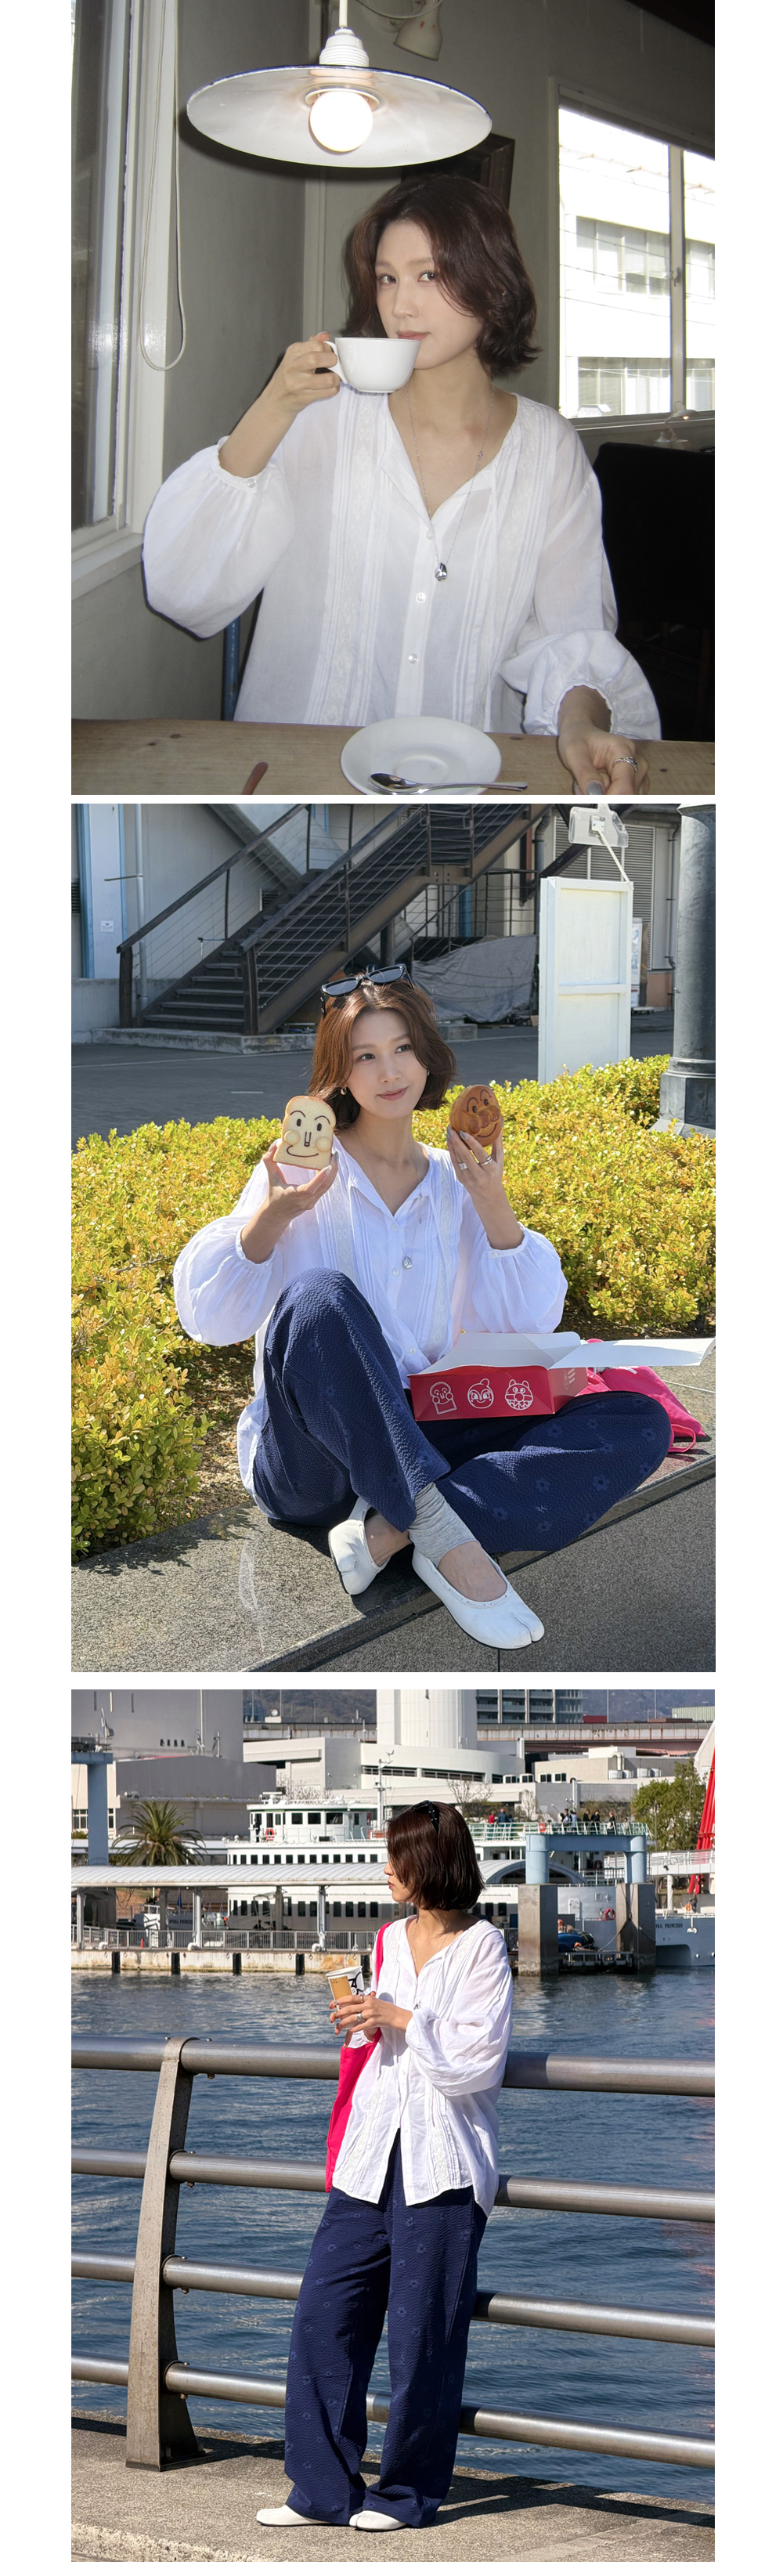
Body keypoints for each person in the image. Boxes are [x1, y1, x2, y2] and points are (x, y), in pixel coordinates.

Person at [173, 970, 670, 1650]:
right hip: (317, 1464)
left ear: (428, 1057)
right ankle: (447, 1540)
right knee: (320, 1298)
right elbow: (210, 1319)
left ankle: (391, 1531)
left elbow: (530, 1320)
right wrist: (274, 1215)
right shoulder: (300, 1173)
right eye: (365, 1055)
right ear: (339, 1073)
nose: (389, 1072)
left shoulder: (453, 1178)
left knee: (638, 1420)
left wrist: (491, 1200)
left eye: (403, 1048)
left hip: (427, 1426)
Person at [143, 174, 660, 794]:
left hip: (468, 792)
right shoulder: (319, 419)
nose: (401, 306)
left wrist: (579, 724)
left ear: (494, 283)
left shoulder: (549, 450)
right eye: (387, 278)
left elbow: (572, 630)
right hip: (299, 783)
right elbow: (184, 592)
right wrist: (271, 409)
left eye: (429, 275)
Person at [256, 1800, 514, 2532]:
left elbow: (476, 2061)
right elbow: (386, 2053)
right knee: (323, 2316)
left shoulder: (484, 1948)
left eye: (396, 1857)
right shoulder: (389, 1940)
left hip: (443, 2164)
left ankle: (406, 2495)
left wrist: (398, 2017)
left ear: (427, 1863)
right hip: (368, 2157)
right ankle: (321, 2491)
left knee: (421, 2336)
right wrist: (362, 2022)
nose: (386, 1870)